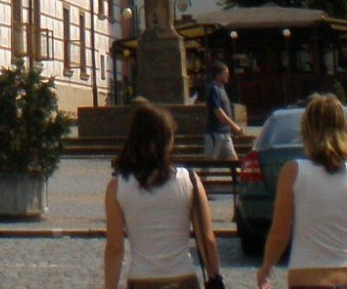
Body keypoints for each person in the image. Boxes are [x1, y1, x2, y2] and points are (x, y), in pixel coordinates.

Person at [255, 93, 347, 289]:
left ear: (306, 131)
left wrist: (265, 270)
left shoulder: (293, 171)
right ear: (346, 129)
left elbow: (280, 234)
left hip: (309, 279)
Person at [103, 99, 222, 289]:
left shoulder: (116, 187)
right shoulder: (190, 180)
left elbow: (115, 248)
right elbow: (207, 239)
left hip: (142, 280)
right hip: (183, 279)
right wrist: (215, 277)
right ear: (166, 140)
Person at [198, 61, 247, 160]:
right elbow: (218, 112)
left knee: (233, 159)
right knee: (209, 161)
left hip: (225, 133)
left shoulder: (221, 89)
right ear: (218, 75)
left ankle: (236, 175)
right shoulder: (213, 89)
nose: (228, 76)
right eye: (225, 73)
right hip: (215, 133)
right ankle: (201, 176)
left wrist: (231, 129)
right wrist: (235, 127)